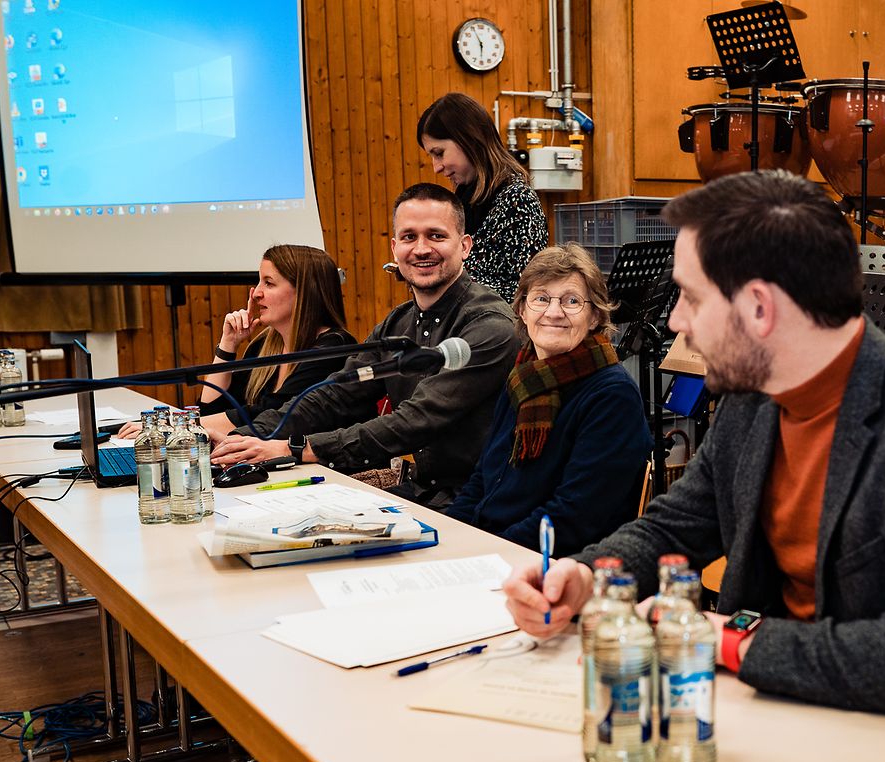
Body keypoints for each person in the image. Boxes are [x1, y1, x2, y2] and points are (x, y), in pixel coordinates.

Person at [503, 170, 885, 740]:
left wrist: (722, 637)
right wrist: (587, 577)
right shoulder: (753, 399)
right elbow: (672, 528)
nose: (675, 321)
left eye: (691, 297)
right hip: (780, 711)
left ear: (759, 308)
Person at [210, 183, 519, 508]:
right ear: (395, 248)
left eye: (436, 236)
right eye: (409, 237)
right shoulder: (398, 322)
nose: (421, 249)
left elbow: (415, 420)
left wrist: (295, 447)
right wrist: (242, 439)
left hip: (480, 502)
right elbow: (334, 396)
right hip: (423, 492)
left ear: (465, 246)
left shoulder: (490, 325)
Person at [444, 244, 651, 555]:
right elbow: (481, 480)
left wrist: (489, 551)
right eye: (541, 298)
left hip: (554, 562)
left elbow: (574, 516)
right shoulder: (524, 377)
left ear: (595, 316)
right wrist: (449, 536)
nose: (554, 313)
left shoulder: (612, 396)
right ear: (522, 310)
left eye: (572, 301)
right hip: (493, 546)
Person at [118, 245, 353, 439]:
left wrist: (171, 427)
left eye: (269, 283)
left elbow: (270, 415)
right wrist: (227, 344)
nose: (256, 293)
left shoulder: (333, 349)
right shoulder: (265, 345)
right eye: (258, 282)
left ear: (304, 291)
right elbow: (212, 410)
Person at [417, 92, 547, 302]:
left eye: (439, 153)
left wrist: (440, 279)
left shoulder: (518, 201)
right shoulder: (465, 198)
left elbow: (523, 292)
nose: (436, 167)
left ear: (469, 140)